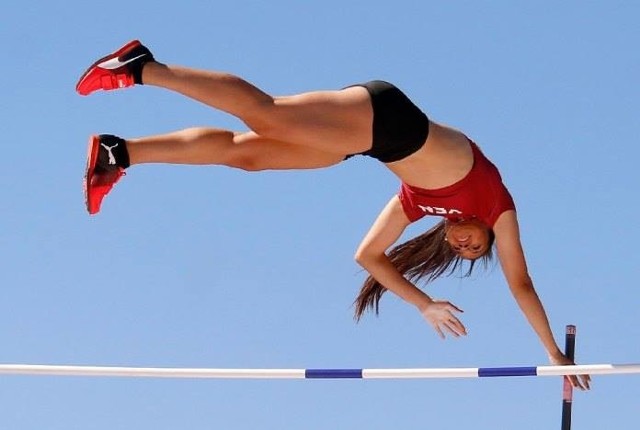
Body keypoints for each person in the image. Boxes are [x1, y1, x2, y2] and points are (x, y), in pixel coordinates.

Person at [76, 40, 590, 389]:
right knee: (266, 112)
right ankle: (141, 66)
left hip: (367, 143)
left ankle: (120, 153)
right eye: (476, 245)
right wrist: (553, 353)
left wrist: (423, 304)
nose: (465, 245)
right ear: (482, 229)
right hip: (391, 118)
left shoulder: (417, 201)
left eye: (461, 249)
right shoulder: (496, 204)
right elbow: (521, 283)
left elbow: (368, 256)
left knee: (246, 154)